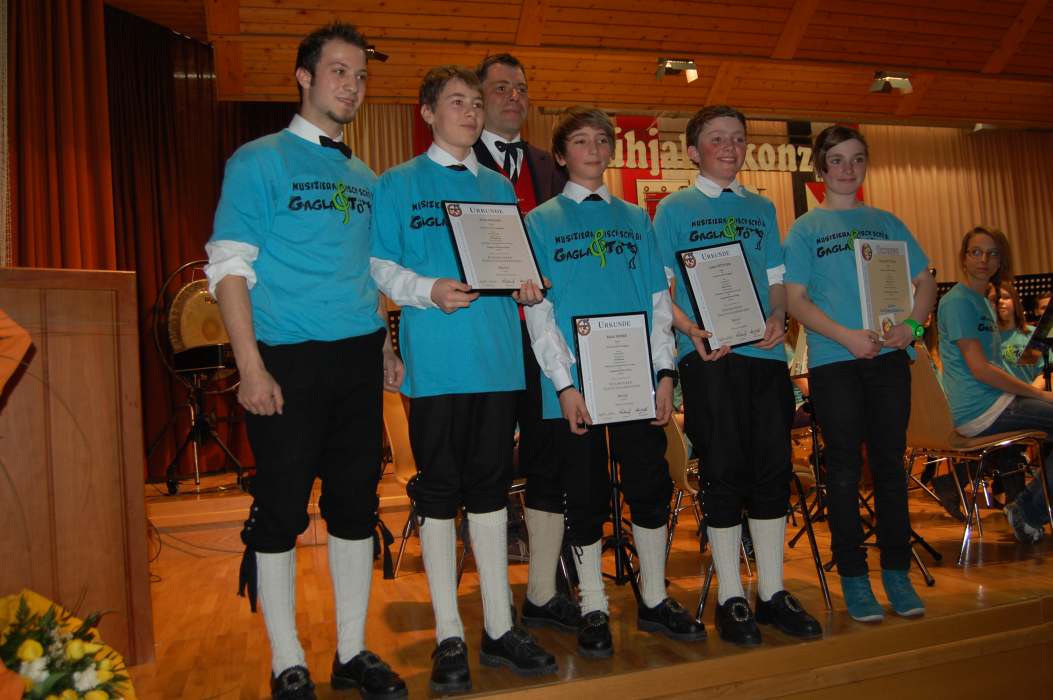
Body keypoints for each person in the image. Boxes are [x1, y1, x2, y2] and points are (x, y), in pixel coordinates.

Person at [205, 23, 407, 700]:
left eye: (360, 76)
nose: (352, 85)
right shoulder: (258, 160)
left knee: (354, 505)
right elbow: (229, 267)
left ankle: (351, 651)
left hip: (356, 359)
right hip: (285, 361)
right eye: (339, 71)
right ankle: (287, 659)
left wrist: (384, 344)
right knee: (282, 509)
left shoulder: (363, 176)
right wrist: (250, 367)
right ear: (304, 76)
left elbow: (366, 271)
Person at [369, 65, 556, 694]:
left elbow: (514, 263)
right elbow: (378, 266)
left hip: (498, 361)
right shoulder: (397, 183)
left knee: (491, 491)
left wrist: (528, 285)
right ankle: (449, 632)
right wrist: (427, 290)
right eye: (457, 102)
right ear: (427, 112)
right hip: (438, 367)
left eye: (476, 103)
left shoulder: (498, 188)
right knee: (439, 492)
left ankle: (499, 627)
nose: (472, 112)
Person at [523, 106, 706, 658]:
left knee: (649, 487)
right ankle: (594, 604)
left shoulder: (635, 219)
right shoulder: (539, 222)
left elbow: (656, 303)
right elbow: (540, 313)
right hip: (575, 387)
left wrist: (665, 374)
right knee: (584, 495)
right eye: (581, 141)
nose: (594, 150)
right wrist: (564, 384)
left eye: (602, 140)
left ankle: (653, 598)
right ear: (561, 155)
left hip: (635, 382)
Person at [654, 105, 821, 646]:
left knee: (773, 470)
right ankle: (730, 597)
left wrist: (778, 315)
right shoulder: (673, 209)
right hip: (709, 358)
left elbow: (776, 277)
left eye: (739, 138)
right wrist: (692, 330)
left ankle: (771, 593)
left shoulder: (762, 207)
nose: (730, 147)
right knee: (722, 470)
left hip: (766, 358)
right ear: (693, 151)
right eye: (717, 139)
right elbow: (661, 291)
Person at [784, 125, 937, 623]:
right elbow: (795, 300)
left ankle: (897, 572)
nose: (847, 169)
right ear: (821, 168)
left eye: (857, 159)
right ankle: (853, 576)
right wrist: (847, 336)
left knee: (890, 467)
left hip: (889, 359)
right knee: (845, 470)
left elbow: (925, 283)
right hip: (835, 362)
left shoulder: (887, 222)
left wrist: (912, 327)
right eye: (837, 160)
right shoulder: (805, 229)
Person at [472, 54, 578, 632]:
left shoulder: (547, 165)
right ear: (479, 97)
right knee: (487, 467)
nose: (513, 96)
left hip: (546, 338)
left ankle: (542, 591)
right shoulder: (460, 160)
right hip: (487, 336)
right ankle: (494, 608)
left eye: (521, 88)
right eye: (501, 88)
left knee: (549, 459)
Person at [937, 227, 1053, 545]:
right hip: (981, 409)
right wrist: (1038, 393)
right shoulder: (958, 302)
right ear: (963, 258)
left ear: (1000, 261)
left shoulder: (981, 301)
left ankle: (1027, 506)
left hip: (994, 402)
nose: (983, 260)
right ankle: (1028, 510)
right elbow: (981, 369)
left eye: (992, 254)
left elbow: (995, 366)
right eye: (976, 252)